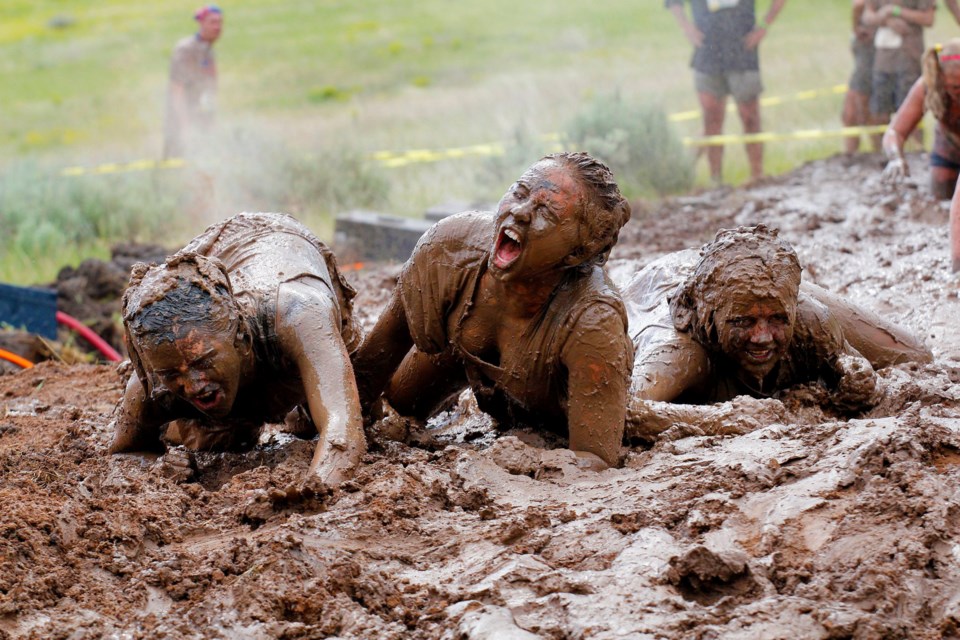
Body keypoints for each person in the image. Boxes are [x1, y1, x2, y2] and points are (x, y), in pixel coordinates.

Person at [351, 152, 634, 469]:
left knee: (640, 408)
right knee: (397, 402)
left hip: (563, 408)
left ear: (576, 252)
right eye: (520, 193)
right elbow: (375, 361)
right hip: (464, 359)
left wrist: (508, 468)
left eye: (547, 213)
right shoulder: (448, 248)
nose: (521, 212)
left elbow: (594, 460)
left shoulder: (593, 319)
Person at [109, 212, 365, 486]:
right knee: (219, 440)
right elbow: (126, 453)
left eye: (203, 362)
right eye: (172, 373)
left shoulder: (299, 315)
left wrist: (313, 494)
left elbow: (344, 435)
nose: (193, 384)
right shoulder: (153, 383)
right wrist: (156, 468)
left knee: (362, 402)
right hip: (205, 273)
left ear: (241, 336)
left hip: (286, 248)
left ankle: (294, 400)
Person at [623, 224, 932, 440]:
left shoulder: (811, 323)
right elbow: (618, 411)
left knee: (913, 354)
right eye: (742, 324)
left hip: (756, 277)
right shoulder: (680, 351)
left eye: (777, 321)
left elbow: (867, 373)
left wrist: (859, 378)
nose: (762, 337)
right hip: (672, 283)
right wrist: (722, 421)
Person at [665, 0, 788, 185]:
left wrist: (763, 26)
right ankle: (716, 181)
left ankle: (757, 177)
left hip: (742, 49)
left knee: (750, 117)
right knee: (711, 119)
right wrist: (687, 28)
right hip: (708, 51)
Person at [881, 39, 960, 200]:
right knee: (940, 200)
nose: (958, 92)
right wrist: (896, 158)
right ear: (941, 79)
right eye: (954, 87)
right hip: (948, 147)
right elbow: (896, 131)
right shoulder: (928, 86)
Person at [863, 0, 935, 134]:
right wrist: (886, 20)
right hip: (883, 60)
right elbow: (867, 15)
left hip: (909, 57)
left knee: (911, 113)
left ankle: (915, 151)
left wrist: (896, 11)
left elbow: (928, 18)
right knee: (880, 113)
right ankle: (882, 152)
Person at [163, 5, 223, 160]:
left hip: (202, 121)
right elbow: (177, 89)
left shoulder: (208, 50)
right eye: (213, 22)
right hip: (183, 123)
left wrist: (210, 122)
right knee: (177, 169)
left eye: (220, 22)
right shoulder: (186, 49)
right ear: (201, 23)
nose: (218, 27)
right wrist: (185, 127)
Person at [842, 0, 882, 153]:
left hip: (871, 49)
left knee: (861, 109)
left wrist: (856, 24)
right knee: (852, 113)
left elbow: (858, 4)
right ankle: (852, 156)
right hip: (867, 46)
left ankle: (875, 153)